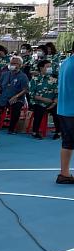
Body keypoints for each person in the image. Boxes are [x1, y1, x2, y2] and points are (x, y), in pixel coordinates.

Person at [0, 55, 29, 134]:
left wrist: (16, 96)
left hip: (17, 98)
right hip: (3, 98)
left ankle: (12, 129)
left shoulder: (23, 76)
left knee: (16, 109)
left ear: (20, 65)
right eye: (11, 63)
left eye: (15, 63)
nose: (12, 65)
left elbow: (26, 90)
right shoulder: (4, 74)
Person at [55, 47, 74, 184]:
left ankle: (64, 173)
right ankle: (64, 174)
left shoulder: (66, 62)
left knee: (67, 143)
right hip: (72, 110)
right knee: (68, 142)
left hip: (63, 108)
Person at [28, 59, 60, 139]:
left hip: (52, 103)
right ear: (41, 68)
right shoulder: (35, 79)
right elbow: (31, 93)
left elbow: (58, 92)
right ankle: (35, 132)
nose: (50, 68)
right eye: (48, 67)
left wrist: (54, 102)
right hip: (38, 102)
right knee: (39, 110)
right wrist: (43, 99)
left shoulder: (54, 79)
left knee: (57, 112)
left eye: (50, 66)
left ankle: (58, 132)